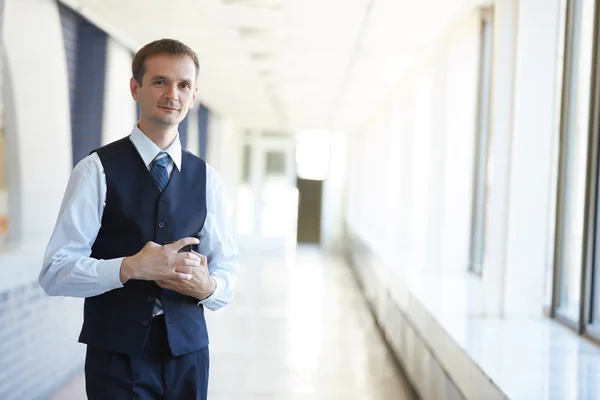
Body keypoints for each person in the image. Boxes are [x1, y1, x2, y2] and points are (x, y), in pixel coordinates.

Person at [39, 38, 239, 399]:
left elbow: (227, 268)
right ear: (136, 88)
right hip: (117, 357)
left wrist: (208, 287)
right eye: (160, 81)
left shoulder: (207, 179)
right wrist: (128, 267)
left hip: (189, 354)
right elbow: (55, 271)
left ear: (194, 96)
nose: (172, 94)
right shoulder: (95, 170)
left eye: (184, 85)